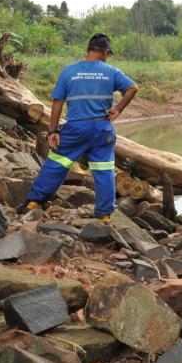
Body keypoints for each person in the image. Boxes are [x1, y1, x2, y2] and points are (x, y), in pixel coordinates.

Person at [19, 33, 138, 223]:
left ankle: (34, 202)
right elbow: (132, 88)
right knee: (105, 170)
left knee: (56, 163)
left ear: (88, 51)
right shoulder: (111, 71)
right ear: (105, 52)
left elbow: (57, 102)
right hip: (102, 130)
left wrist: (53, 131)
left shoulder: (69, 71)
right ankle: (105, 215)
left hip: (75, 129)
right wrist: (117, 109)